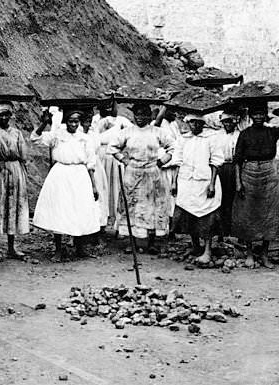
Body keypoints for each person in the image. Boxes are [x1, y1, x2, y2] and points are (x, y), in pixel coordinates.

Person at [232, 103, 279, 268]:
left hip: (269, 172)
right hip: (249, 173)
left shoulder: (272, 131)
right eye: (255, 114)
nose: (258, 117)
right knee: (248, 213)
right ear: (250, 116)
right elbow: (237, 160)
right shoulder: (245, 134)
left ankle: (264, 253)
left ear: (265, 115)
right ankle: (249, 253)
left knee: (269, 213)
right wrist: (238, 182)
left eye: (261, 114)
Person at [31, 108, 101, 261]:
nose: (74, 124)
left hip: (80, 175)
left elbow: (90, 163)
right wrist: (45, 123)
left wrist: (93, 186)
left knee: (80, 209)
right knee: (59, 210)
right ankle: (58, 249)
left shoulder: (85, 138)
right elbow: (35, 138)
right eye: (71, 121)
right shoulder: (57, 135)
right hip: (61, 174)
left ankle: (80, 248)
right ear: (65, 121)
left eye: (76, 121)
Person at [109, 103, 174, 254]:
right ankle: (132, 243)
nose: (140, 118)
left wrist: (161, 161)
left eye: (143, 115)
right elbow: (112, 147)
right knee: (132, 207)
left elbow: (172, 147)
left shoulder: (157, 131)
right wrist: (124, 160)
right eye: (137, 115)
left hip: (152, 172)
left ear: (149, 116)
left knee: (152, 207)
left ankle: (151, 242)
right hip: (133, 172)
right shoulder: (128, 132)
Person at [168, 113, 222, 264]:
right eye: (193, 122)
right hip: (186, 182)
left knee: (207, 215)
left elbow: (216, 162)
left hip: (204, 183)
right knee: (187, 214)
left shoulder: (211, 138)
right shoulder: (183, 139)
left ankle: (207, 250)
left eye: (199, 123)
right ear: (188, 123)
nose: (196, 125)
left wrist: (211, 184)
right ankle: (195, 245)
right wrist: (174, 182)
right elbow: (177, 162)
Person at [0, 102, 30, 261]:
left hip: (14, 170)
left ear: (10, 116)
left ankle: (12, 246)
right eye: (0, 115)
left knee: (13, 206)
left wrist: (22, 173)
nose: (3, 118)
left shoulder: (17, 133)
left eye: (6, 114)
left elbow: (23, 155)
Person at [92, 101, 132, 237]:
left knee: (117, 189)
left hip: (115, 157)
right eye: (106, 106)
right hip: (100, 157)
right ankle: (100, 224)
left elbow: (130, 134)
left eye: (112, 106)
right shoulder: (95, 120)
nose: (109, 109)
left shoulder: (123, 121)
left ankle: (119, 226)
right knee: (102, 190)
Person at [208, 112, 240, 241]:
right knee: (221, 198)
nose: (228, 124)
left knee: (233, 198)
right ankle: (220, 230)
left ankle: (233, 230)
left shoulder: (239, 135)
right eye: (226, 121)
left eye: (230, 121)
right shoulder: (217, 136)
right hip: (220, 168)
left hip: (234, 166)